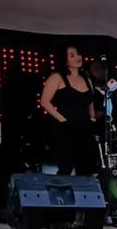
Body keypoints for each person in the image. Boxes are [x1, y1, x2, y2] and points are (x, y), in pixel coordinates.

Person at [39, 45, 98, 175]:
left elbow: (90, 102)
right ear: (64, 60)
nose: (78, 57)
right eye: (72, 55)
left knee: (86, 168)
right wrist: (62, 119)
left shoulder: (87, 79)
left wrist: (92, 118)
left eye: (78, 54)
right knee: (66, 167)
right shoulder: (57, 77)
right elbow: (44, 101)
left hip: (85, 128)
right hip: (65, 130)